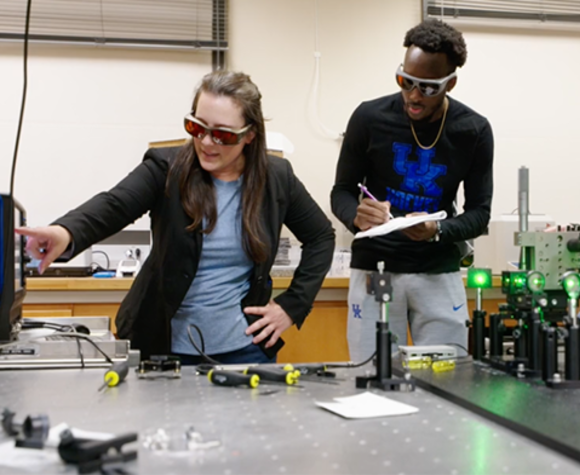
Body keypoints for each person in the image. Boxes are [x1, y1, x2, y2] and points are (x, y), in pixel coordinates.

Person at [17, 70, 335, 364]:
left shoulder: (276, 178)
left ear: (249, 135)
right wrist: (65, 233)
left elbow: (321, 236)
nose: (206, 142)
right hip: (163, 348)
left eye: (222, 135)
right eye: (196, 127)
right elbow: (114, 205)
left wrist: (291, 306)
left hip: (244, 349)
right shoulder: (165, 169)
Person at [331, 19, 494, 361]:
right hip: (376, 270)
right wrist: (355, 217)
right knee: (372, 373)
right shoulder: (368, 117)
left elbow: (479, 214)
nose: (414, 96)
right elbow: (342, 192)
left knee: (450, 375)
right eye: (406, 81)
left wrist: (438, 230)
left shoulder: (474, 130)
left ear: (450, 83)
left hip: (437, 270)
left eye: (428, 88)